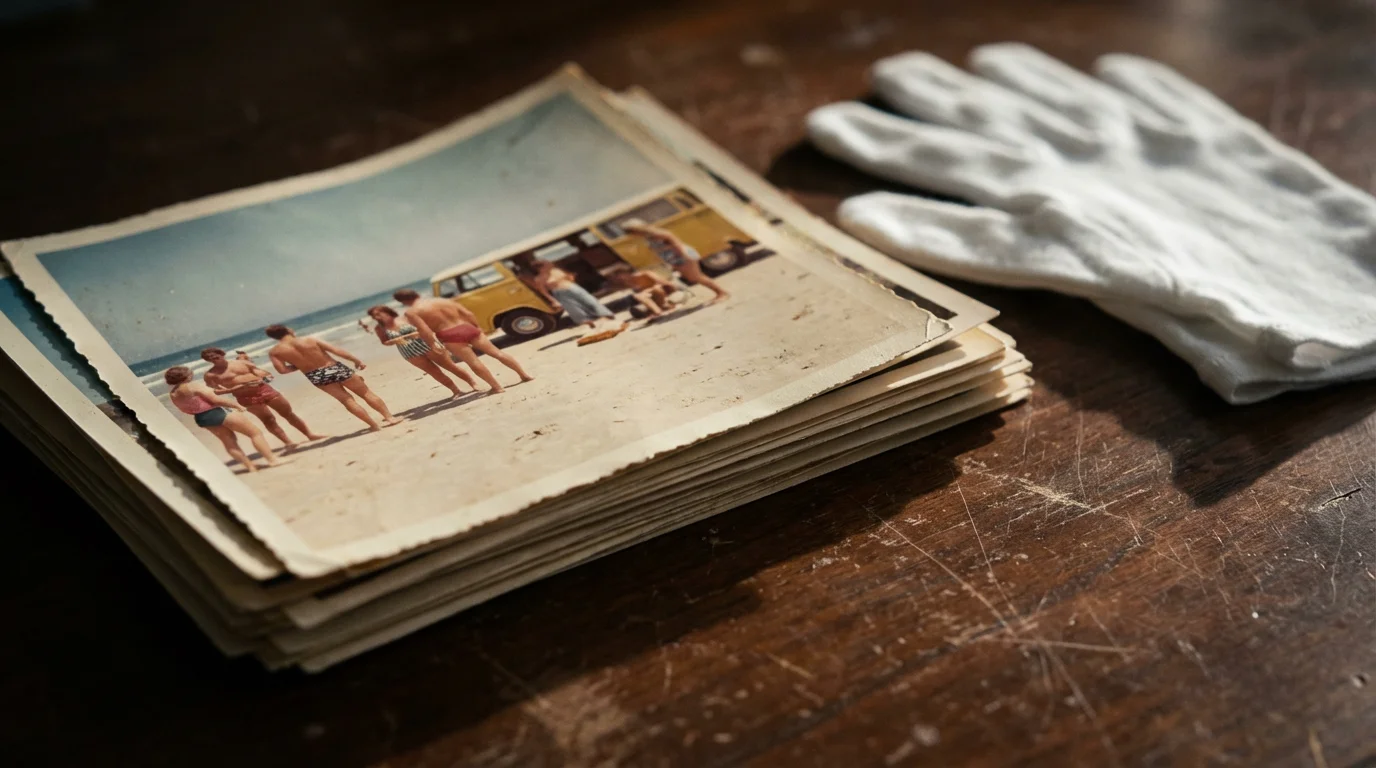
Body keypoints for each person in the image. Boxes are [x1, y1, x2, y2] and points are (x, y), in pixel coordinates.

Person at [392, 289, 533, 394]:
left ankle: (497, 387)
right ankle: (524, 375)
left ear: (402, 302)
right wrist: (477, 327)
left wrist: (432, 344)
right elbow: (468, 314)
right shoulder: (444, 300)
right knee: (497, 353)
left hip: (448, 334)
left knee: (473, 362)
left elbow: (425, 330)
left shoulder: (412, 312)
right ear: (416, 294)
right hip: (467, 327)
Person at [264, 325, 403, 431]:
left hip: (315, 375)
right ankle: (389, 418)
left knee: (346, 400)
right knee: (366, 393)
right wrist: (356, 360)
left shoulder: (275, 351)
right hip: (334, 367)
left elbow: (282, 370)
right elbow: (336, 351)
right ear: (288, 330)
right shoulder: (309, 340)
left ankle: (373, 425)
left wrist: (299, 365)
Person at [201, 347, 326, 450]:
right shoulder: (211, 375)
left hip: (265, 390)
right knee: (268, 420)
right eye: (209, 357)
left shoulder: (242, 363)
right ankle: (289, 442)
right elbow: (215, 391)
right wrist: (235, 388)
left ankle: (310, 435)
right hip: (246, 398)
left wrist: (267, 376)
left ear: (221, 353)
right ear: (207, 360)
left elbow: (261, 373)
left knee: (288, 413)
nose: (213, 358)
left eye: (215, 355)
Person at [165, 366, 280, 472]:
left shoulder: (173, 393)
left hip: (202, 418)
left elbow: (184, 410)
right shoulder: (193, 386)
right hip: (217, 412)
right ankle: (272, 460)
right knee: (255, 433)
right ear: (186, 376)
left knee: (229, 442)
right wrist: (236, 405)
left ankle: (250, 467)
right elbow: (216, 400)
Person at [366, 305, 479, 400]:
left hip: (426, 344)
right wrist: (393, 341)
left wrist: (415, 335)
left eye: (378, 313)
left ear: (386, 311)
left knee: (450, 366)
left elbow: (424, 329)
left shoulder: (405, 318)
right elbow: (384, 342)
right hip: (409, 352)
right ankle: (455, 390)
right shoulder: (379, 328)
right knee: (434, 372)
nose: (376, 317)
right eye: (374, 316)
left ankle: (473, 383)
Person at [620, 218, 731, 304]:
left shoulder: (656, 233)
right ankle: (719, 293)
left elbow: (674, 242)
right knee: (694, 277)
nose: (632, 235)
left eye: (631, 232)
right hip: (675, 259)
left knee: (697, 277)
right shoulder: (648, 236)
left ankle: (722, 293)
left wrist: (684, 255)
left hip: (682, 255)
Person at [528, 260, 624, 332]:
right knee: (574, 309)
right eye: (546, 264)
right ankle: (592, 325)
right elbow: (544, 291)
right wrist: (553, 301)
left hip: (572, 288)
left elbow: (569, 277)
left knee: (590, 301)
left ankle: (609, 317)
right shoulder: (539, 279)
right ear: (540, 268)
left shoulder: (556, 270)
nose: (549, 264)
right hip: (560, 293)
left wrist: (570, 278)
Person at [606, 265, 681, 320]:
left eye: (621, 276)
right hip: (652, 296)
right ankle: (658, 311)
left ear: (626, 273)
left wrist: (648, 290)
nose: (622, 279)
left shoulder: (644, 274)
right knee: (639, 297)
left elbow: (664, 283)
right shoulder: (630, 284)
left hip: (662, 290)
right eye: (619, 279)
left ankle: (658, 311)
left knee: (649, 292)